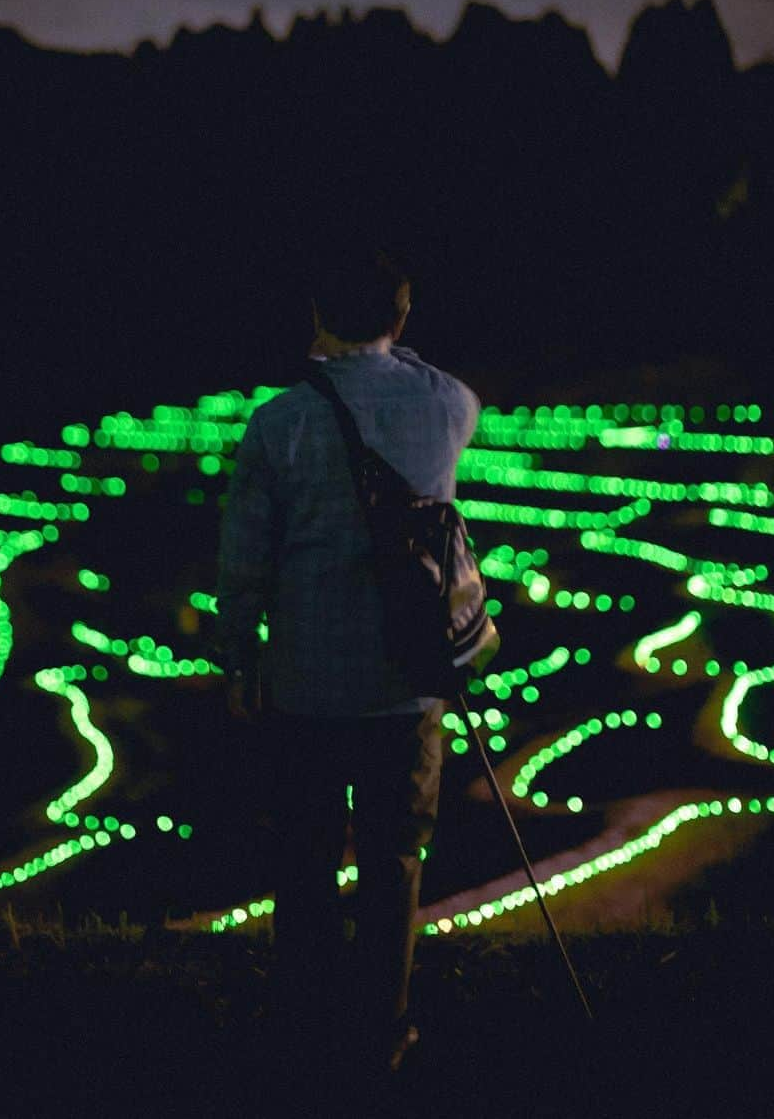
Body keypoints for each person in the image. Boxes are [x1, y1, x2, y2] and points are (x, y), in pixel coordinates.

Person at [214, 242, 481, 1085]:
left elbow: (244, 559)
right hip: (408, 684)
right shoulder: (445, 408)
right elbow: (447, 385)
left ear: (316, 315)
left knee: (305, 857)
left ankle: (305, 1020)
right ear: (401, 318)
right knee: (395, 858)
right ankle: (384, 1027)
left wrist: (239, 658)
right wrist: (391, 336)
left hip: (306, 686)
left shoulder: (279, 421)